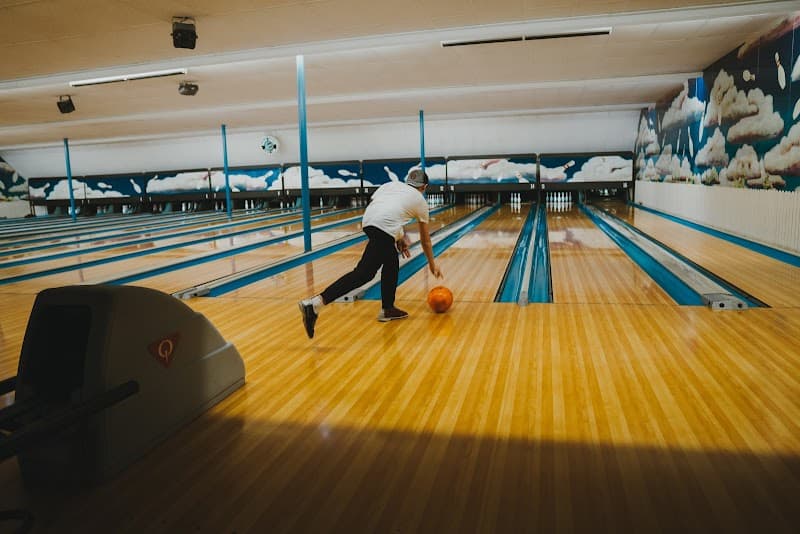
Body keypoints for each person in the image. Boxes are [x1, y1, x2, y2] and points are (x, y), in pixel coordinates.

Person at [299, 169, 443, 339]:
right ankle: (314, 304)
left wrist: (397, 236)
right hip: (384, 227)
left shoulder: (390, 185)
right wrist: (433, 265)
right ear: (424, 187)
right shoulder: (420, 201)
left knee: (391, 261)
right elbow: (425, 241)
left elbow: (383, 209)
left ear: (407, 182)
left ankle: (388, 308)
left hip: (368, 221)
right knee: (364, 274)